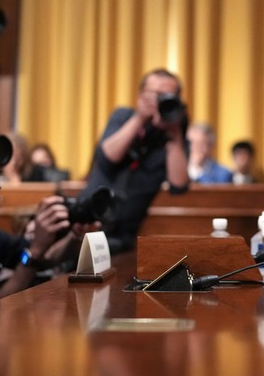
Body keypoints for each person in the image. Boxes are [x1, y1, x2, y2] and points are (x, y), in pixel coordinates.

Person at [78, 68, 189, 254]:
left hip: (124, 236)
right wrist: (140, 118)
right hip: (88, 224)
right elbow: (106, 158)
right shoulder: (123, 116)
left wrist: (174, 135)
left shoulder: (173, 135)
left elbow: (179, 185)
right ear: (140, 95)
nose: (161, 100)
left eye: (168, 96)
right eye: (156, 94)